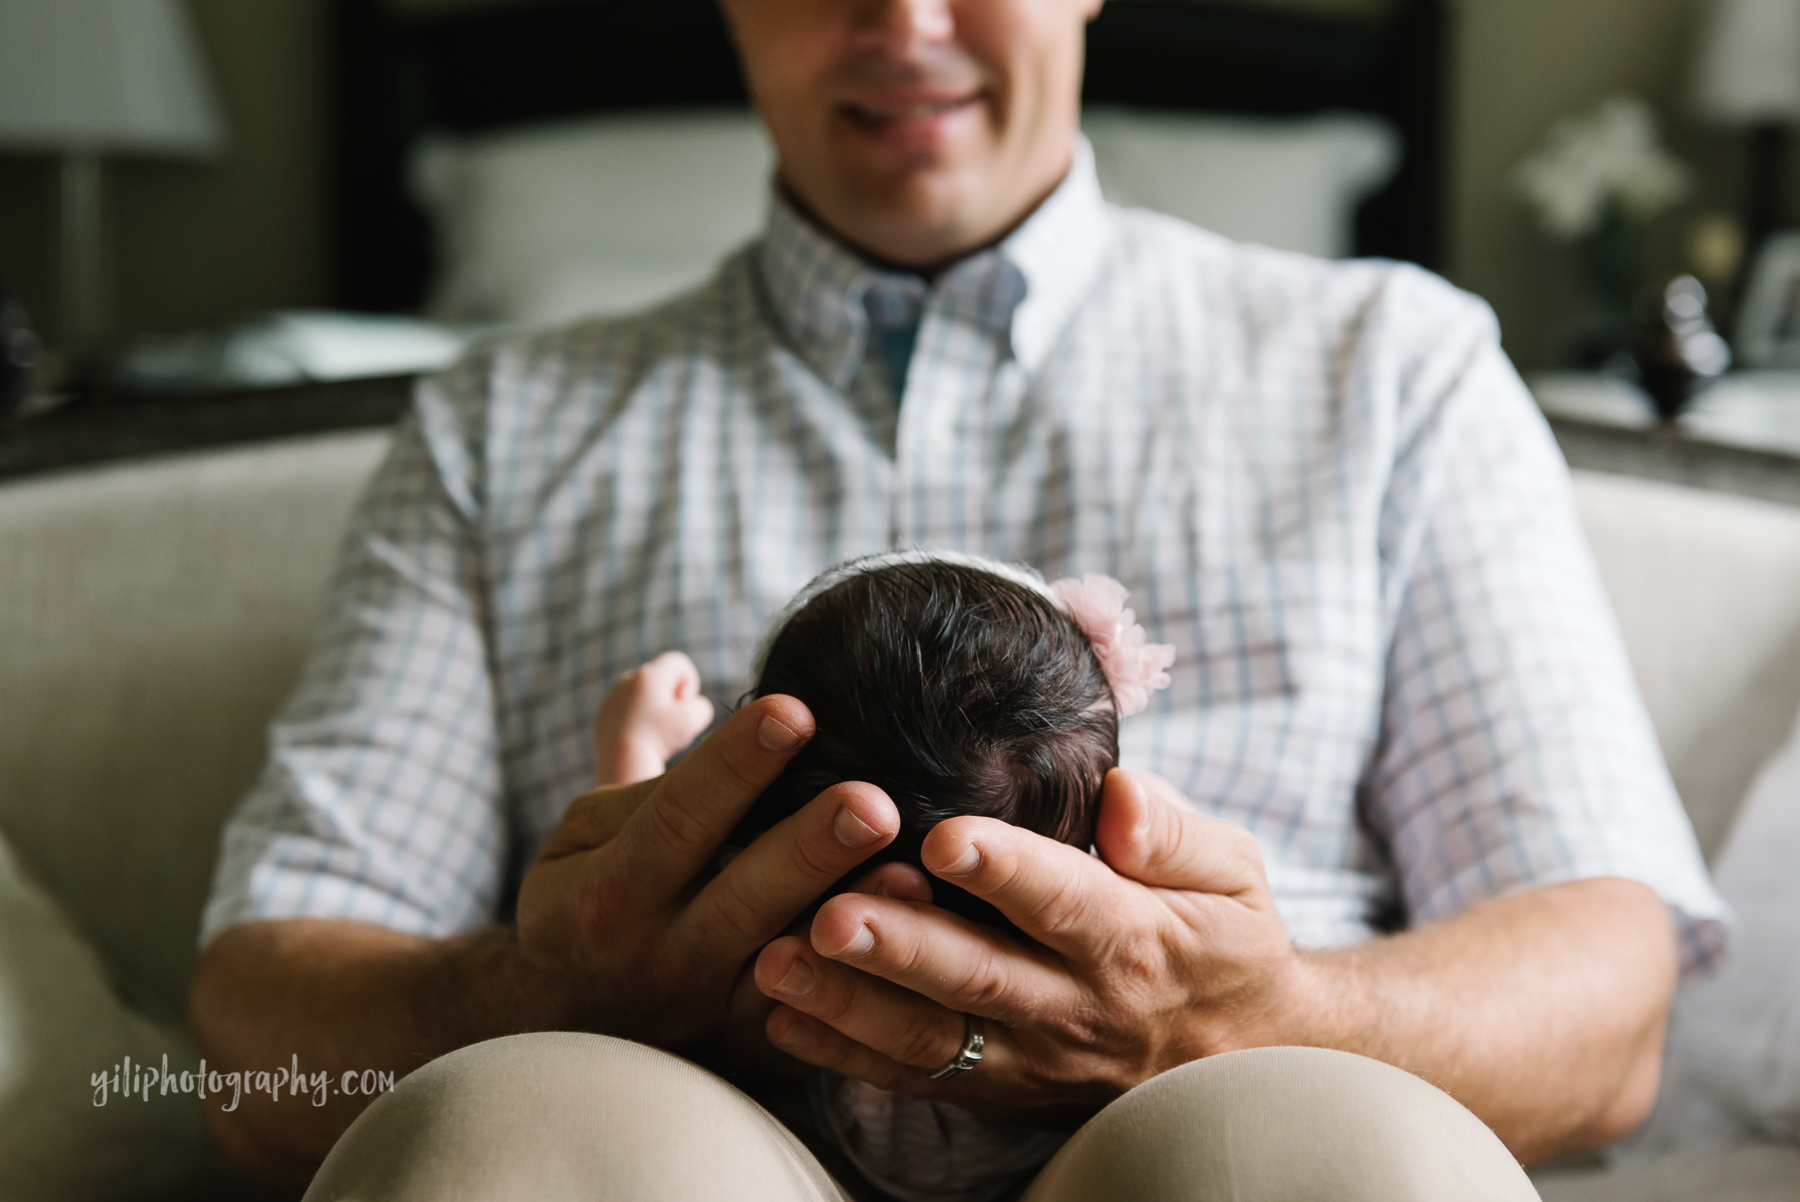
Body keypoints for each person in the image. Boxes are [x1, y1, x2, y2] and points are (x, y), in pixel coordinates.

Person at [190, 0, 1727, 1197]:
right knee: (523, 1135)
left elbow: (1606, 1000)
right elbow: (257, 1030)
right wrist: (550, 990)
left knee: (1318, 1155)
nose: (903, 20)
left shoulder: (1392, 370)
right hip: (674, 1129)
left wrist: (1255, 1015)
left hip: (1219, 1127)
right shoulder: (502, 425)